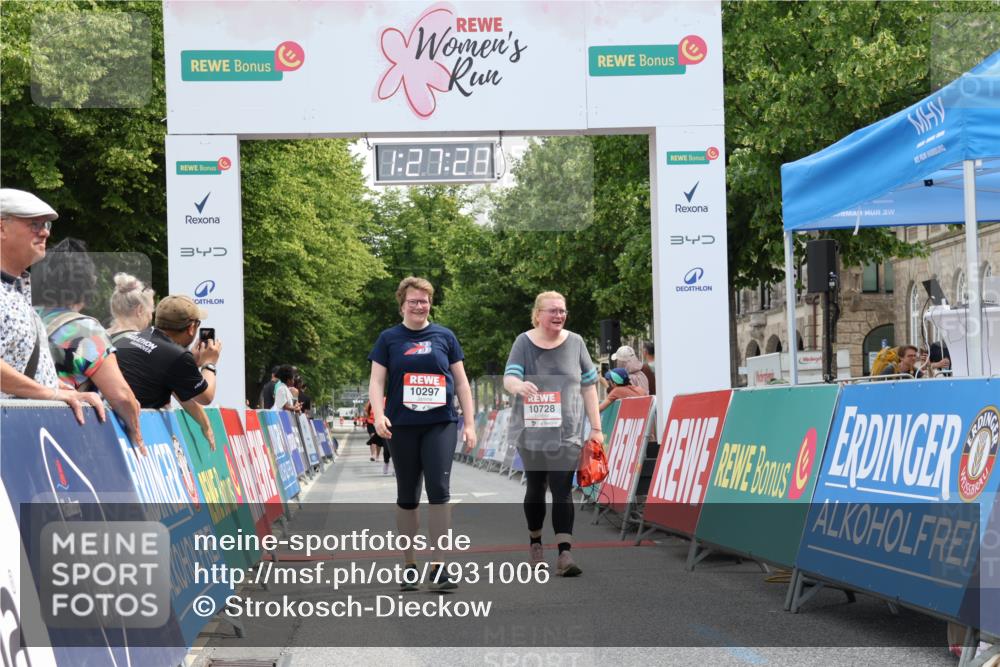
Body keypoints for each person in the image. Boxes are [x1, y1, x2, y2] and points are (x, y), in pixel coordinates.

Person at [368, 276, 476, 591]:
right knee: (407, 495)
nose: (420, 306)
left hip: (440, 423)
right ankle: (410, 564)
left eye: (425, 301)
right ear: (402, 305)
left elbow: (462, 383)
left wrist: (469, 423)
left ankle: (440, 566)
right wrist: (379, 415)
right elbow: (376, 381)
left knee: (439, 489)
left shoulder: (445, 336)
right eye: (414, 301)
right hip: (402, 426)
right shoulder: (389, 338)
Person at [503, 290, 603, 577]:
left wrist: (596, 429)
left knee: (561, 488)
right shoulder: (523, 342)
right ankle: (535, 542)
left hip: (566, 431)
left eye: (562, 310)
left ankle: (564, 554)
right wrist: (518, 386)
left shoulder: (576, 342)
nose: (559, 315)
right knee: (535, 487)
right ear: (538, 315)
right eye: (553, 311)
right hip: (532, 431)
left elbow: (589, 387)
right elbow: (509, 377)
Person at [0, 188, 105, 424]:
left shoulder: (18, 286)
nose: (45, 232)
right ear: (2, 228)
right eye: (34, 224)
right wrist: (50, 393)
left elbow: (16, 361)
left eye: (46, 225)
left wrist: (54, 386)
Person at [33, 238, 145, 453]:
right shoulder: (86, 330)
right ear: (86, 285)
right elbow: (121, 396)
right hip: (65, 439)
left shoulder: (26, 316)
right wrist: (136, 433)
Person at [116, 294, 221, 449]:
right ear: (191, 328)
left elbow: (177, 388)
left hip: (115, 424)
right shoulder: (177, 356)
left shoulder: (131, 337)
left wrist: (205, 424)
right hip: (138, 434)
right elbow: (206, 397)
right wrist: (209, 363)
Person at [107, 272, 155, 342]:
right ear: (140, 310)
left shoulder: (98, 338)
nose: (150, 317)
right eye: (151, 310)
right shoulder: (146, 345)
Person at [364, 398, 392, 474]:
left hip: (386, 424)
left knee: (390, 447)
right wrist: (367, 418)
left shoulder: (388, 400)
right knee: (373, 437)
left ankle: (378, 456)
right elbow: (366, 412)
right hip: (372, 423)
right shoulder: (371, 401)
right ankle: (374, 455)